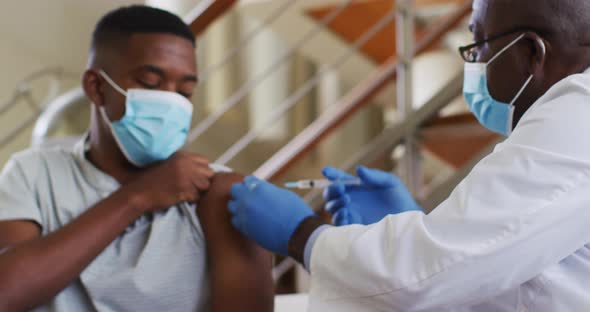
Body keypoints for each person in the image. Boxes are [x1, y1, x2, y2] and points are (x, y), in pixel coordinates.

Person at [227, 0, 590, 310]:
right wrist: (415, 222)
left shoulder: (578, 113)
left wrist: (302, 235)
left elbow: (433, 271)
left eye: (479, 46)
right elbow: (505, 266)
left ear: (531, 53)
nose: (475, 63)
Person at [0, 6, 272, 312]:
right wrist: (138, 197)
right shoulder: (33, 174)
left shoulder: (220, 193)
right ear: (97, 87)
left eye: (184, 92)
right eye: (151, 83)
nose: (170, 102)